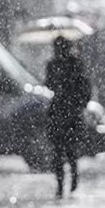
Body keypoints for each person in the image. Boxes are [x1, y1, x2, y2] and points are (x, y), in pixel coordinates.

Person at [44, 36, 92, 198]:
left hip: (66, 112)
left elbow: (84, 87)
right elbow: (49, 84)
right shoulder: (61, 64)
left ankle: (68, 179)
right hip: (63, 112)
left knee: (66, 151)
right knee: (62, 151)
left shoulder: (72, 64)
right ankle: (63, 182)